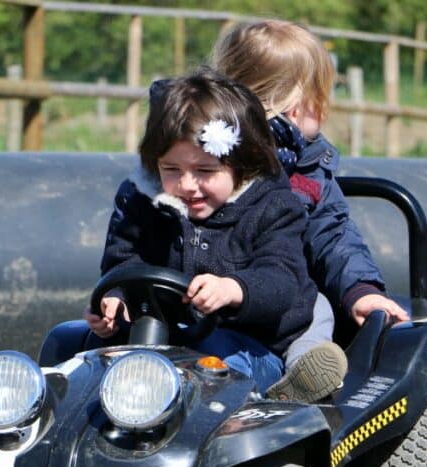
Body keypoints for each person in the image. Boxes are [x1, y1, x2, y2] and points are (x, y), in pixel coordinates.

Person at [212, 19, 410, 401]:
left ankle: (303, 374)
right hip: (209, 293)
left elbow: (333, 235)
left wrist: (360, 290)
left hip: (283, 298)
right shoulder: (203, 159)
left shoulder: (310, 172)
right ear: (294, 108)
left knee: (315, 306)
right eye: (321, 99)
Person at [85, 68, 316, 394]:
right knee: (72, 343)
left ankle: (259, 404)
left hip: (250, 346)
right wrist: (116, 299)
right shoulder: (142, 200)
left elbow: (282, 279)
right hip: (158, 337)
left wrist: (234, 289)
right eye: (171, 169)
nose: (187, 185)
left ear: (242, 165)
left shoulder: (273, 207)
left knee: (209, 365)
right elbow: (122, 259)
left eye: (205, 171)